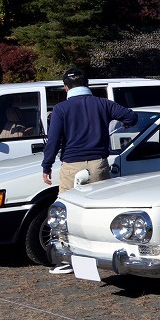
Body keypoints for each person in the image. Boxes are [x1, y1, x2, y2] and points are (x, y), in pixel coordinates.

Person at [41, 66, 139, 270]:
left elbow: (54, 140)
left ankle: (67, 259)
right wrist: (121, 126)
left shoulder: (61, 109)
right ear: (87, 85)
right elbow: (131, 117)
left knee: (66, 211)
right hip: (98, 163)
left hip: (71, 164)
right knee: (98, 211)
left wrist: (47, 165)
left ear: (66, 88)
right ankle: (101, 255)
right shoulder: (102, 103)